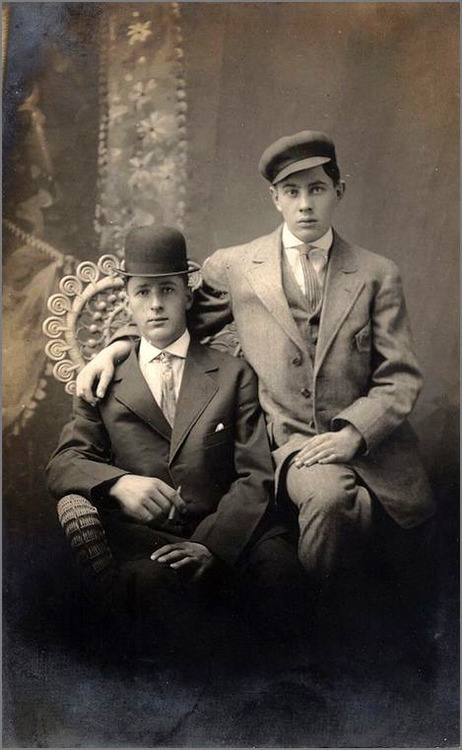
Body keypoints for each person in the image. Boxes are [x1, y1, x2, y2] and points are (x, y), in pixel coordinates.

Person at [76, 133, 437, 653]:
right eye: (291, 191)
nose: (305, 203)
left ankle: (359, 653)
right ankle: (314, 648)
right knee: (330, 499)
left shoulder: (378, 274)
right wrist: (117, 346)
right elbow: (172, 317)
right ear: (274, 198)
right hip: (288, 444)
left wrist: (355, 433)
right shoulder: (237, 266)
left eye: (317, 188)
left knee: (413, 566)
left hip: (374, 450)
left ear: (340, 190)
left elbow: (400, 377)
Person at [47, 224, 307, 666]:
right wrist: (119, 483)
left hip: (227, 527)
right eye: (143, 292)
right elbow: (65, 463)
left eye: (167, 290)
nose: (156, 305)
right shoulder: (104, 379)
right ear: (126, 298)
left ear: (188, 295)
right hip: (145, 538)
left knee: (283, 576)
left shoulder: (232, 374)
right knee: (154, 593)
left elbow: (255, 473)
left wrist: (213, 545)